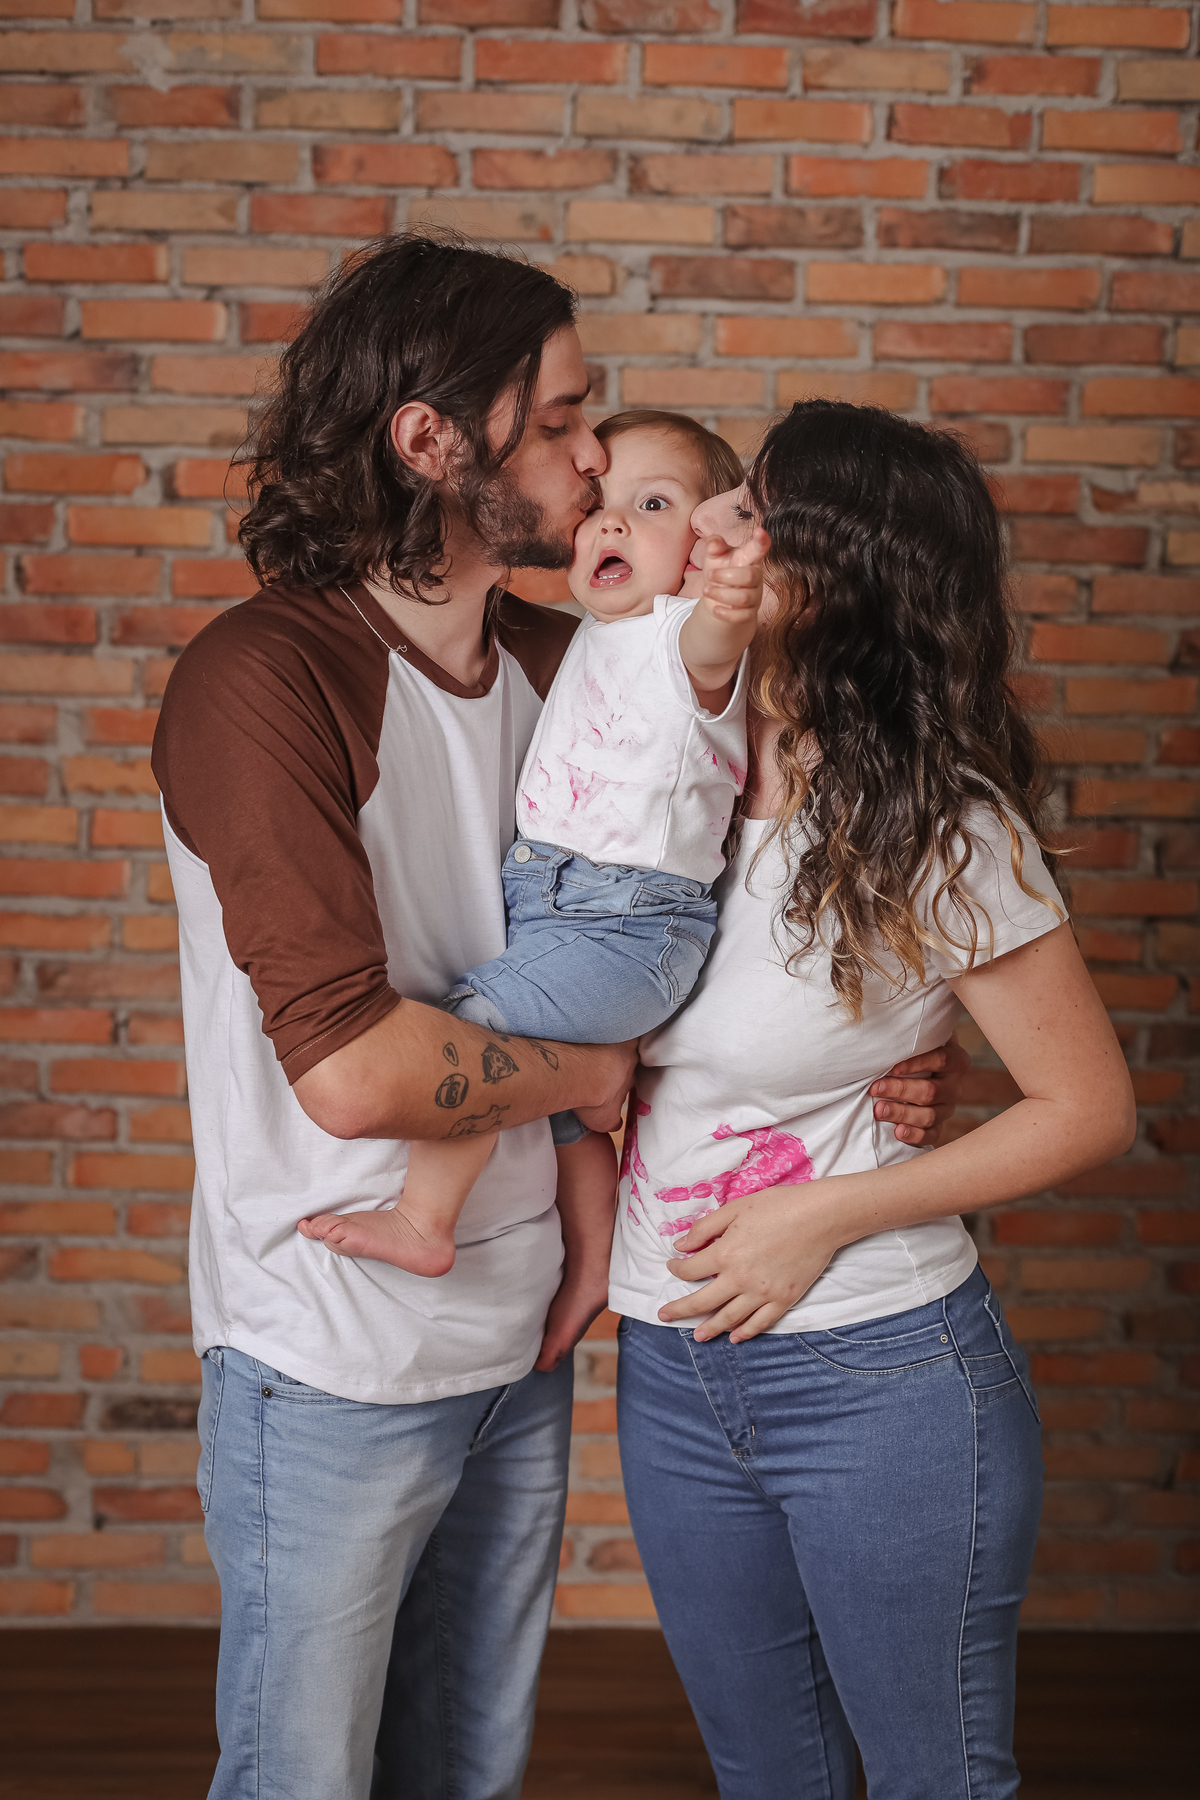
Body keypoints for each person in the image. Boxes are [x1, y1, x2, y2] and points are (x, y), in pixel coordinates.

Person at [153, 230, 966, 1800]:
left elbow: (776, 895)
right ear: (429, 440)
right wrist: (596, 1067)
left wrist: (906, 1063)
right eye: (561, 420)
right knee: (304, 1776)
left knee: (466, 1770)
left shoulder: (584, 657)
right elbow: (354, 1075)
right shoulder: (264, 681)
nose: (596, 457)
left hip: (526, 1332)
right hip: (331, 1352)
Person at [612, 400, 1137, 1800]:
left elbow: (1088, 1107)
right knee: (766, 1777)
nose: (709, 522)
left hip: (881, 1377)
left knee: (934, 1782)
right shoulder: (658, 757)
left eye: (753, 511)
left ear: (837, 574)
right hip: (670, 1365)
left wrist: (827, 1212)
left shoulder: (939, 825)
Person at [301, 412, 768, 1363]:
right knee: (559, 1114)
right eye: (601, 508)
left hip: (629, 926)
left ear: (698, 548)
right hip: (561, 912)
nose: (614, 524)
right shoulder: (591, 636)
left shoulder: (684, 639)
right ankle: (594, 1258)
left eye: (653, 506)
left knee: (470, 1030)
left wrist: (730, 587)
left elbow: (720, 633)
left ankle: (426, 1220)